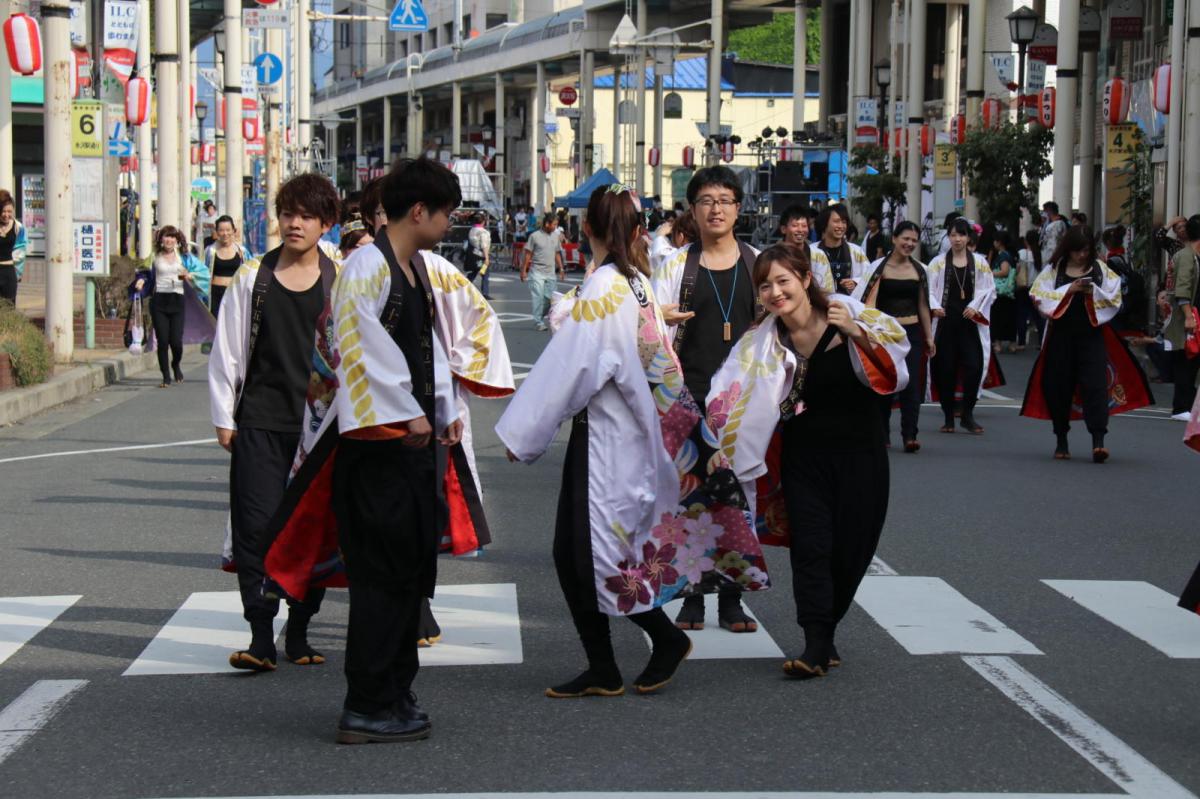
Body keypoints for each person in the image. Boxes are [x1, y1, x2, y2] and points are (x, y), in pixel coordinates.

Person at [497, 183, 763, 698]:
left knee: (579, 553)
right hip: (635, 433)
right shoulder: (634, 282)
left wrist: (524, 433)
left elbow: (572, 368)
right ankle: (626, 654)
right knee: (601, 552)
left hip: (604, 442)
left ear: (587, 230)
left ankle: (623, 656)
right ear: (640, 232)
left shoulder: (604, 287)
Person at [708, 243, 910, 677]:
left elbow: (896, 370)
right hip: (804, 457)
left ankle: (826, 631)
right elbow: (726, 393)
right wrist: (712, 442)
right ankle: (815, 641)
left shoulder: (848, 315)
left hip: (861, 453)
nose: (775, 292)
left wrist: (857, 332)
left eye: (783, 281)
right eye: (765, 286)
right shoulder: (761, 342)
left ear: (804, 278)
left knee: (852, 549)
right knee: (811, 547)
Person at [207, 174, 341, 673]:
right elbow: (228, 353)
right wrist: (224, 415)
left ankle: (300, 631)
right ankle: (261, 635)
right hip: (260, 421)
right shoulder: (252, 277)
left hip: (321, 427)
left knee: (316, 529)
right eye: (287, 213)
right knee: (255, 528)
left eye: (306, 215)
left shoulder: (341, 277)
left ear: (325, 223)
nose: (294, 223)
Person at [652, 166, 762, 634]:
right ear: (692, 211)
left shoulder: (758, 263)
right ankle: (693, 598)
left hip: (745, 404)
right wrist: (661, 317)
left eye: (724, 200)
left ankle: (733, 600)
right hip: (690, 398)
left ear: (739, 207)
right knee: (691, 501)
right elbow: (650, 333)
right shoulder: (677, 266)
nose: (715, 209)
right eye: (705, 201)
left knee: (740, 502)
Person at [1021, 225, 1154, 461]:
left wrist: (1092, 291)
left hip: (1091, 336)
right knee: (1059, 388)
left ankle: (1098, 441)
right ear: (1067, 249)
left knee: (1096, 386)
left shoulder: (1100, 269)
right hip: (1060, 337)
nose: (1081, 255)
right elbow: (1038, 295)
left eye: (1085, 250)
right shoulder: (1055, 270)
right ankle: (1061, 439)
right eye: (1076, 251)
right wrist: (1070, 289)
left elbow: (1114, 297)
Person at [853, 221, 934, 452]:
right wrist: (868, 334)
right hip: (885, 335)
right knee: (885, 384)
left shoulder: (920, 270)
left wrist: (929, 337)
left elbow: (923, 305)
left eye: (913, 241)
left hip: (912, 333)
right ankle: (882, 434)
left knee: (911, 386)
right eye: (905, 239)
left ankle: (910, 435)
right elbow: (869, 302)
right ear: (895, 239)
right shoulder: (879, 268)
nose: (909, 244)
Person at [926, 218, 997, 435]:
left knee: (974, 366)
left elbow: (989, 290)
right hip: (946, 322)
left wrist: (976, 307)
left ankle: (967, 413)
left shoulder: (980, 262)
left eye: (962, 235)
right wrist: (934, 306)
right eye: (953, 235)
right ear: (948, 237)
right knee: (945, 369)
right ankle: (948, 416)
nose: (957, 239)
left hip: (970, 324)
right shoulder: (937, 263)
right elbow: (927, 289)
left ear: (968, 237)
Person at [134, 226, 210, 387]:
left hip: (177, 301)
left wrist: (190, 276)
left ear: (177, 240)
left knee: (176, 341)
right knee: (162, 341)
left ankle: (175, 364)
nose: (169, 240)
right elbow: (143, 272)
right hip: (159, 301)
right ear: (161, 239)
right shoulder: (154, 256)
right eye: (166, 237)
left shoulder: (184, 257)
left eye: (172, 237)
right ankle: (166, 377)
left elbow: (203, 273)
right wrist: (141, 280)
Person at [1163, 214, 1200, 420]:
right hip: (1188, 316)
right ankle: (1181, 408)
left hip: (1195, 315)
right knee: (1187, 360)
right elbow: (1183, 288)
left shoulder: (1193, 255)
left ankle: (1189, 406)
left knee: (1192, 361)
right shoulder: (1186, 256)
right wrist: (1188, 316)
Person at [521, 213, 565, 331]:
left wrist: (561, 268)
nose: (556, 227)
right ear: (547, 224)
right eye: (554, 224)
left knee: (550, 299)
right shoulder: (534, 236)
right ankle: (538, 322)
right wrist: (523, 270)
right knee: (538, 297)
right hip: (536, 272)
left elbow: (557, 253)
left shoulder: (555, 237)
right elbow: (528, 254)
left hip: (551, 272)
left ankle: (540, 316)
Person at [778, 203, 835, 293]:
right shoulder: (771, 256)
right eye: (795, 225)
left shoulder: (818, 255)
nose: (800, 230)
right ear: (783, 229)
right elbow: (760, 296)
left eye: (804, 226)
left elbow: (828, 291)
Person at [815, 203, 869, 295]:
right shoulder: (812, 251)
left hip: (848, 305)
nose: (841, 226)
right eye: (836, 221)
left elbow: (869, 275)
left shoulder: (856, 251)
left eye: (844, 222)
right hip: (820, 305)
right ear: (825, 223)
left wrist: (855, 282)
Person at [204, 216, 253, 317]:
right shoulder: (210, 251)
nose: (225, 233)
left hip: (235, 293)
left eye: (228, 230)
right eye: (221, 230)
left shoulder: (242, 251)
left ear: (233, 231)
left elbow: (252, 271)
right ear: (217, 232)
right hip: (216, 294)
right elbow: (202, 272)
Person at [989, 228, 1018, 353]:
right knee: (1009, 318)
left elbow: (1004, 271)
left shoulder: (1003, 255)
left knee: (998, 318)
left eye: (995, 241)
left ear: (999, 242)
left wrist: (990, 273)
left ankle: (998, 344)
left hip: (1001, 292)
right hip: (1009, 292)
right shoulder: (1010, 255)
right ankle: (1012, 343)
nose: (993, 243)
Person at [1015, 229, 1044, 349]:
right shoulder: (1041, 254)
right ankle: (1041, 342)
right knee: (1038, 316)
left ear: (1026, 241)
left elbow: (1017, 269)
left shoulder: (1022, 253)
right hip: (1036, 287)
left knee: (1021, 314)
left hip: (1023, 287)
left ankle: (1021, 342)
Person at [0, 190, 28, 305]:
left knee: (9, 309)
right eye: (3, 211)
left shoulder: (18, 228)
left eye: (9, 211)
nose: (6, 215)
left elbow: (20, 252)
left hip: (9, 274)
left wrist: (18, 274)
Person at [464, 213, 492, 299]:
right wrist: (487, 258)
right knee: (485, 274)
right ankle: (485, 293)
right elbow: (484, 245)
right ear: (483, 221)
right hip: (481, 255)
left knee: (472, 273)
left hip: (473, 255)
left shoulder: (472, 230)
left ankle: (464, 290)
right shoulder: (484, 232)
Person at [1041, 201, 1068, 267]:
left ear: (1049, 211)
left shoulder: (1053, 226)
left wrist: (1049, 262)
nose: (1043, 214)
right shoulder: (1062, 223)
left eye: (1044, 211)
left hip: (1050, 260)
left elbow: (1052, 246)